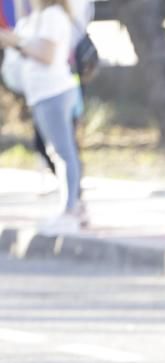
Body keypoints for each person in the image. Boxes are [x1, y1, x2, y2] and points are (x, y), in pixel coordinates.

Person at [0, 0, 84, 231]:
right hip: (41, 94)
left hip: (53, 92)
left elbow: (46, 54)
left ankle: (70, 210)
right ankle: (69, 208)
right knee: (56, 153)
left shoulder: (53, 16)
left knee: (63, 153)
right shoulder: (38, 17)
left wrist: (17, 41)